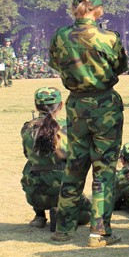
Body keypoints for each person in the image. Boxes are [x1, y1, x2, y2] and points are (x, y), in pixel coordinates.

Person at [48, 0, 128, 247]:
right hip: (105, 106)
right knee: (104, 170)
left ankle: (63, 229)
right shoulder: (109, 38)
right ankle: (100, 232)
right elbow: (120, 66)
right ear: (98, 8)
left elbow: (55, 63)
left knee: (74, 166)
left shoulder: (60, 37)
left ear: (75, 7)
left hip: (77, 106)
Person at [20, 86, 91, 230]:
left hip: (35, 190)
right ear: (61, 105)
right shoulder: (68, 126)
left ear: (36, 106)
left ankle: (39, 216)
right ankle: (59, 214)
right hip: (62, 186)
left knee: (33, 165)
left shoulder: (27, 128)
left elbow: (27, 154)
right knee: (87, 214)